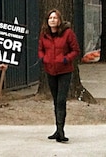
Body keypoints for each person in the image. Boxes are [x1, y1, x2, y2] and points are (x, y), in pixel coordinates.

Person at [38, 9, 81, 143]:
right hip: (50, 70)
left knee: (61, 100)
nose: (52, 20)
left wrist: (66, 59)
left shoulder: (68, 33)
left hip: (64, 71)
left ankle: (61, 130)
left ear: (59, 20)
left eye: (55, 18)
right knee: (55, 100)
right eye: (50, 18)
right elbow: (40, 49)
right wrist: (43, 58)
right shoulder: (44, 34)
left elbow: (76, 50)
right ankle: (57, 129)